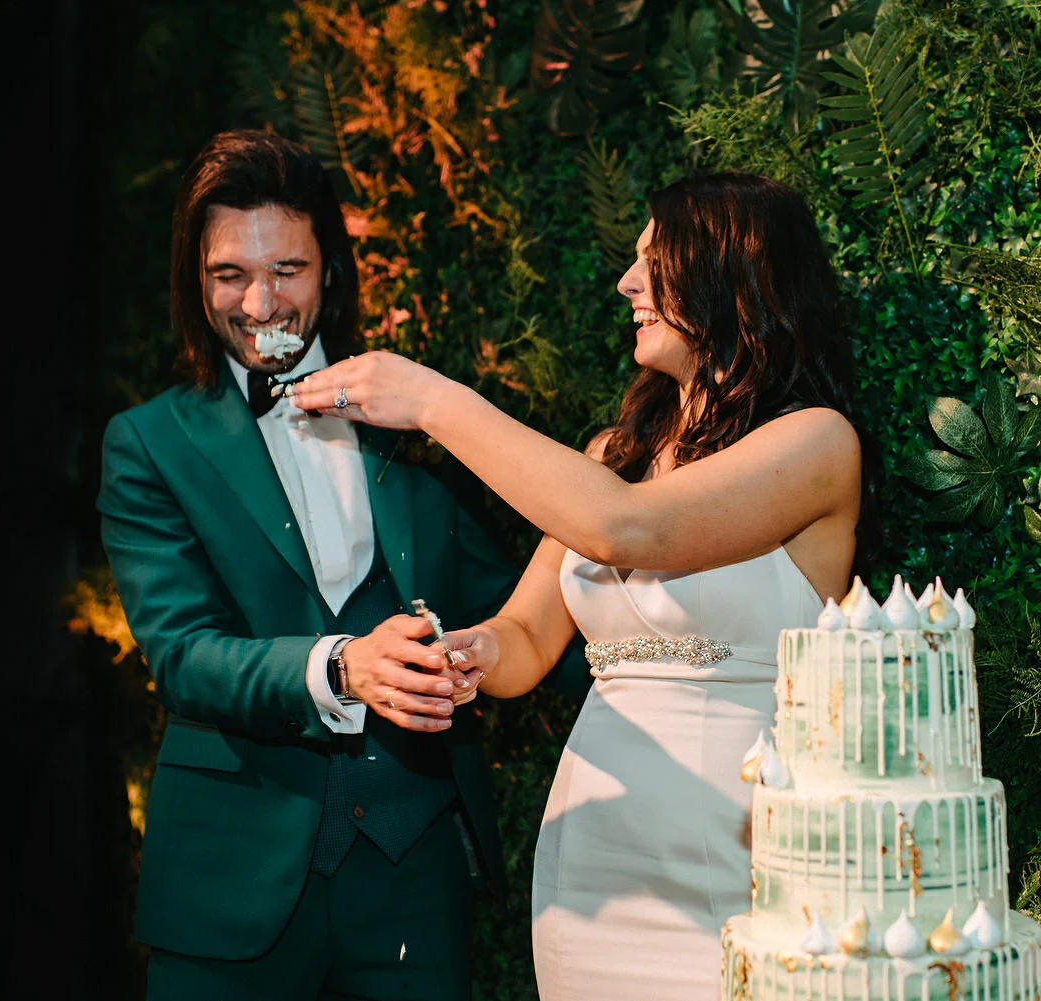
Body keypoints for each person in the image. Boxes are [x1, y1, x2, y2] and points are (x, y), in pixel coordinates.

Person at [289, 172, 875, 1000]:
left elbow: (628, 529)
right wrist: (468, 652)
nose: (627, 283)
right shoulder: (614, 455)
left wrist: (431, 400)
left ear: (730, 274)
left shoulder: (816, 443)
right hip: (595, 859)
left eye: (654, 261)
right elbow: (529, 637)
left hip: (747, 846)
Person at [97, 128, 538, 1001]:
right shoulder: (147, 443)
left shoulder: (419, 415)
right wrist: (340, 665)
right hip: (230, 889)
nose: (261, 301)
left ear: (330, 269)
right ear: (196, 281)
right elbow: (183, 655)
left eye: (287, 269)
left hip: (413, 882)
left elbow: (513, 604)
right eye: (230, 273)